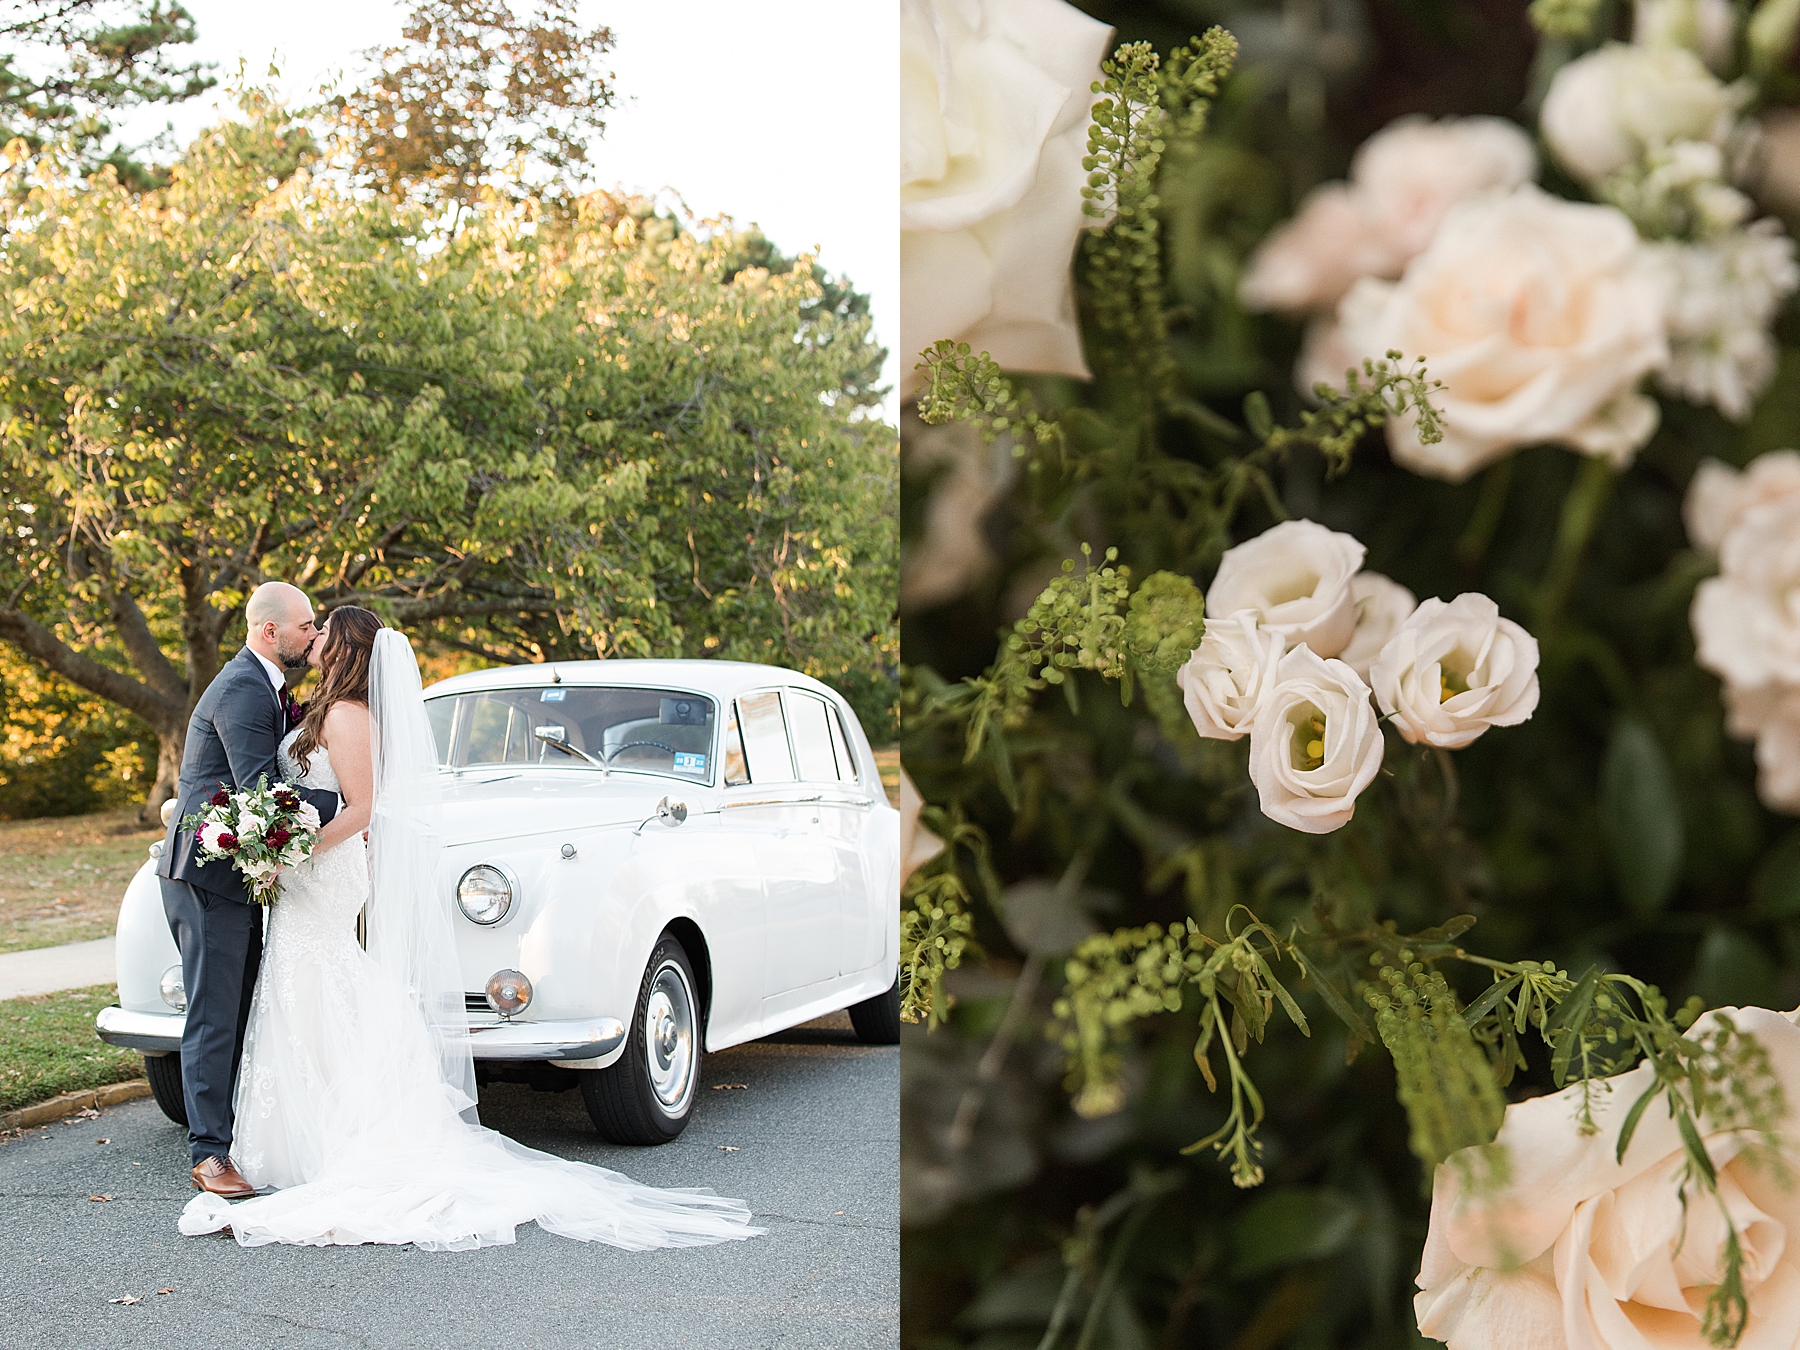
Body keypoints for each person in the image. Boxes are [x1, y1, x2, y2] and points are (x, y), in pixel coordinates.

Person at [179, 606, 762, 1250]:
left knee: (317, 983)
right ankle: (299, 1134)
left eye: (322, 632)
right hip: (304, 873)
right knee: (304, 993)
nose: (312, 638)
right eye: (306, 627)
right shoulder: (304, 705)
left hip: (319, 867)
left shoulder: (345, 716)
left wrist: (299, 847)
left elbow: (363, 807)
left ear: (343, 652)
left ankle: (333, 1135)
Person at [157, 583, 343, 1198]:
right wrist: (348, 805)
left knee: (240, 1006)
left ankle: (235, 1135)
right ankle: (209, 1154)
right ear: (271, 632)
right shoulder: (242, 687)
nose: (313, 636)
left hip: (238, 874)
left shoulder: (269, 686)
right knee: (213, 1014)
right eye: (306, 626)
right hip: (208, 877)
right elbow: (259, 789)